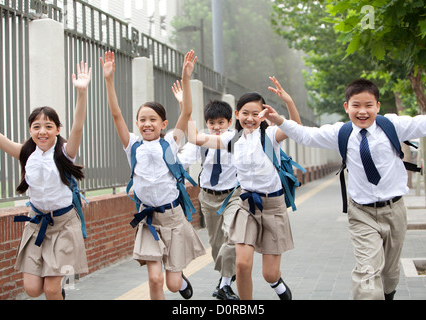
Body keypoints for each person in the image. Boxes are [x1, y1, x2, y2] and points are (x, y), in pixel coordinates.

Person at [259, 78, 426, 300]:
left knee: (390, 275)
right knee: (367, 274)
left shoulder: (392, 125)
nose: (362, 111)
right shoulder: (341, 133)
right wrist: (279, 119)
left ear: (378, 106)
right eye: (356, 105)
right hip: (362, 213)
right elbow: (306, 135)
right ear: (347, 107)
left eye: (368, 105)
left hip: (395, 210)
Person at [100, 50, 205, 300]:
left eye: (153, 119)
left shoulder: (170, 143)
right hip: (148, 221)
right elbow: (116, 115)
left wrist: (186, 78)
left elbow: (187, 112)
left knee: (172, 282)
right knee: (155, 279)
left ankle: (179, 282)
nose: (147, 124)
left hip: (173, 218)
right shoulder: (132, 146)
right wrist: (109, 80)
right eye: (142, 120)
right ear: (137, 124)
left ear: (163, 124)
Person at [187, 77, 302, 300]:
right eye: (245, 113)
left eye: (255, 113)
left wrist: (288, 101)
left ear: (263, 114)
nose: (250, 118)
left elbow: (296, 129)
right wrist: (186, 107)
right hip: (246, 206)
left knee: (269, 274)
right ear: (237, 114)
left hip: (273, 206)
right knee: (241, 264)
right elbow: (194, 137)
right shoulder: (232, 140)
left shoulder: (270, 136)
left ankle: (276, 282)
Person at [0, 62, 92, 300]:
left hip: (63, 225)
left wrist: (82, 92)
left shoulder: (65, 152)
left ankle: (57, 290)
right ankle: (59, 290)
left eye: (48, 126)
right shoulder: (27, 154)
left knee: (50, 290)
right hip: (36, 224)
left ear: (58, 129)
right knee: (32, 289)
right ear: (30, 130)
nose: (42, 131)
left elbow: (78, 127)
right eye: (36, 126)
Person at [173, 82, 240, 300]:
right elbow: (182, 160)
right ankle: (227, 276)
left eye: (221, 122)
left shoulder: (235, 139)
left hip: (233, 196)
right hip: (209, 197)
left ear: (230, 122)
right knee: (216, 244)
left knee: (233, 235)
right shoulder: (201, 141)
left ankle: (225, 283)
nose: (217, 127)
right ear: (206, 124)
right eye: (212, 123)